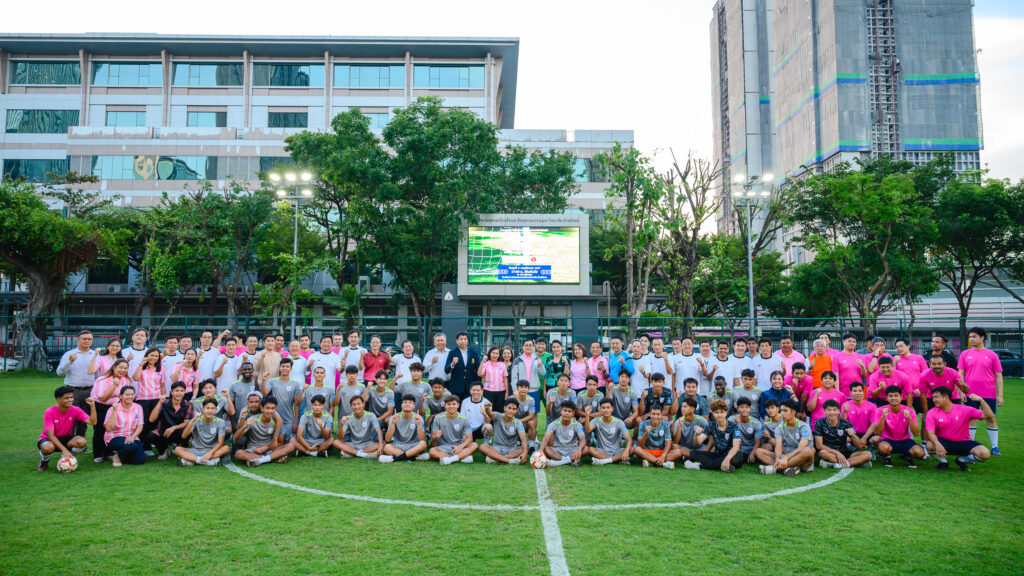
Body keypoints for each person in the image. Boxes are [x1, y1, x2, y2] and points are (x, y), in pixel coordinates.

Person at [926, 388, 994, 471]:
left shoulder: (964, 409)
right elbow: (930, 433)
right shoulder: (932, 412)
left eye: (936, 397)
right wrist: (937, 443)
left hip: (964, 442)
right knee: (929, 445)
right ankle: (943, 462)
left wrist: (981, 400)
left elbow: (989, 416)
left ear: (946, 397)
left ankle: (961, 460)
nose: (934, 400)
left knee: (985, 454)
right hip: (944, 442)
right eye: (933, 397)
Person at [958, 327, 1002, 454]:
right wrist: (961, 391)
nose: (971, 339)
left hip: (989, 393)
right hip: (970, 393)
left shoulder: (992, 355)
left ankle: (995, 447)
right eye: (970, 337)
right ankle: (970, 445)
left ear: (982, 337)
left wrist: (1000, 395)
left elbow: (998, 375)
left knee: (990, 418)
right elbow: (960, 374)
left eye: (974, 336)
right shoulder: (965, 354)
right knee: (971, 418)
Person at [37, 386, 96, 471]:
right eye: (67, 398)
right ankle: (44, 460)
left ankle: (71, 459)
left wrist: (92, 406)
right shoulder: (49, 412)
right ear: (58, 399)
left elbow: (92, 422)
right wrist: (64, 450)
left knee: (81, 441)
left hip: (66, 438)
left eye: (71, 397)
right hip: (49, 439)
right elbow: (50, 436)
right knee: (47, 448)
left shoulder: (76, 410)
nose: (70, 400)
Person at [55, 330, 98, 442]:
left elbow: (98, 374)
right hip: (72, 391)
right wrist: (69, 361)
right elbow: (60, 372)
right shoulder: (70, 354)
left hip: (89, 390)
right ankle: (68, 442)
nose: (87, 341)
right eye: (84, 338)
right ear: (78, 340)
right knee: (70, 418)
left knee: (84, 419)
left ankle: (80, 443)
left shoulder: (95, 355)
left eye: (89, 339)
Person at [755, 398, 814, 476]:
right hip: (785, 456)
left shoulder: (804, 426)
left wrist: (786, 458)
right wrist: (777, 459)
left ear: (793, 412)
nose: (782, 413)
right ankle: (787, 468)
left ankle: (775, 468)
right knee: (758, 451)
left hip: (800, 458)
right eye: (781, 410)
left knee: (807, 451)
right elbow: (778, 447)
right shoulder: (779, 428)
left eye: (785, 411)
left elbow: (801, 448)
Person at [88, 358, 132, 462]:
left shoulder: (126, 380)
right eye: (120, 367)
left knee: (111, 430)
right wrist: (114, 385)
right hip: (101, 407)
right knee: (99, 431)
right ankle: (98, 454)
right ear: (114, 367)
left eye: (125, 368)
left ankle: (108, 453)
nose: (123, 370)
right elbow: (103, 398)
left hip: (115, 408)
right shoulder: (103, 379)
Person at [873, 385, 926, 468]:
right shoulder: (880, 410)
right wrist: (883, 417)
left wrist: (909, 418)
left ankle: (908, 456)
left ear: (901, 397)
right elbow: (878, 432)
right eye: (890, 396)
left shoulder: (909, 411)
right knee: (882, 448)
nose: (893, 398)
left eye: (896, 396)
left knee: (919, 453)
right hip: (888, 440)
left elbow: (916, 433)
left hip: (905, 440)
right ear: (886, 398)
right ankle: (887, 457)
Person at [234, 396, 294, 467]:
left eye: (272, 408)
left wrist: (265, 447)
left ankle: (260, 460)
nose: (270, 411)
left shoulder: (277, 422)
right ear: (262, 409)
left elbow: (280, 443)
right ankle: (273, 459)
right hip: (253, 450)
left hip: (270, 450)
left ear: (275, 409)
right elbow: (235, 438)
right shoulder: (253, 420)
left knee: (291, 445)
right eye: (267, 408)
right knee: (238, 453)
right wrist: (244, 426)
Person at [685, 399, 743, 473]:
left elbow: (736, 446)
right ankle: (723, 466)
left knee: (735, 460)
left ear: (726, 413)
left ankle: (697, 466)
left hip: (733, 456)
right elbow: (698, 442)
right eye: (716, 412)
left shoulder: (734, 426)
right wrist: (696, 435)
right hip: (718, 455)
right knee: (693, 453)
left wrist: (727, 459)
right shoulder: (710, 425)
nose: (719, 415)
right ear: (712, 413)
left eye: (722, 412)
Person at [814, 399, 873, 469]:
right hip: (830, 452)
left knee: (869, 454)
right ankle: (856, 463)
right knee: (822, 453)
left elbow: (859, 446)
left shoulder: (846, 423)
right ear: (824, 411)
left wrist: (853, 435)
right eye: (829, 410)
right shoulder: (819, 422)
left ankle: (838, 465)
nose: (832, 412)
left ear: (839, 411)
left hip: (845, 452)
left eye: (835, 410)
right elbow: (819, 446)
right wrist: (837, 453)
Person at [175, 397, 229, 466]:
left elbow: (220, 442)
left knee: (226, 448)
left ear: (216, 410)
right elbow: (184, 436)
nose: (210, 411)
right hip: (196, 450)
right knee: (177, 449)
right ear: (203, 409)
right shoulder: (196, 420)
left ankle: (192, 460)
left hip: (212, 450)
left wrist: (209, 453)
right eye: (208, 408)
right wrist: (193, 421)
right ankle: (206, 461)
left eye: (212, 408)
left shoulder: (220, 422)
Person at [148, 382, 193, 460]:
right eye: (176, 391)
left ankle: (181, 450)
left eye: (182, 391)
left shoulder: (188, 404)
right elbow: (151, 419)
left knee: (187, 429)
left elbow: (186, 423)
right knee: (151, 435)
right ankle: (164, 450)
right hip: (164, 432)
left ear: (184, 392)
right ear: (171, 392)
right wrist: (159, 403)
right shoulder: (164, 402)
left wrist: (174, 427)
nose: (179, 393)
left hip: (179, 432)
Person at [132, 347, 164, 454]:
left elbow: (162, 384)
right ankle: (144, 446)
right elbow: (135, 378)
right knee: (143, 423)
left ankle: (150, 443)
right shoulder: (141, 367)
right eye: (152, 355)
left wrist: (163, 396)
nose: (153, 358)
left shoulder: (160, 369)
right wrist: (141, 365)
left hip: (156, 399)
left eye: (156, 356)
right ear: (147, 355)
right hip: (143, 399)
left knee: (154, 422)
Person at [103, 386, 146, 466]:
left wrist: (132, 437)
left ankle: (119, 455)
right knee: (132, 445)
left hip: (131, 437)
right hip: (114, 437)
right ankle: (117, 456)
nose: (130, 397)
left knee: (140, 460)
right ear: (120, 396)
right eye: (127, 394)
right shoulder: (113, 408)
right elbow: (109, 428)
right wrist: (115, 411)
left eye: (132, 394)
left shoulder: (138, 407)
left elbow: (140, 426)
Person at [430, 395, 478, 465]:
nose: (451, 406)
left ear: (458, 405)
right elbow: (433, 439)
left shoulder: (464, 419)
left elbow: (470, 439)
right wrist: (436, 436)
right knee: (432, 451)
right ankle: (461, 458)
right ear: (445, 406)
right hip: (443, 446)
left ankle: (450, 459)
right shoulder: (438, 418)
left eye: (454, 404)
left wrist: (460, 447)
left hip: (458, 445)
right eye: (449, 404)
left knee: (474, 445)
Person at [380, 395, 428, 463]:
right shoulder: (394, 417)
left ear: (414, 406)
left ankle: (395, 458)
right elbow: (388, 439)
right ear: (401, 405)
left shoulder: (418, 418)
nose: (407, 404)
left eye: (410, 402)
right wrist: (393, 424)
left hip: (413, 445)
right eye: (405, 402)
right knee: (387, 447)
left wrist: (419, 424)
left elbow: (421, 439)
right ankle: (414, 457)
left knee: (423, 444)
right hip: (398, 446)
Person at [479, 398, 528, 465]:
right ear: (504, 408)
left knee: (523, 448)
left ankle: (497, 459)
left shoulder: (518, 423)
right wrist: (487, 408)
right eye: (509, 408)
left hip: (511, 449)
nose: (511, 411)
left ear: (516, 411)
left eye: (514, 409)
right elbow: (490, 414)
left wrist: (525, 453)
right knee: (482, 447)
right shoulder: (498, 416)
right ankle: (509, 461)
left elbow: (523, 439)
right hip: (497, 448)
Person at [263, 357, 301, 442]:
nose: (285, 368)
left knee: (288, 441)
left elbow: (296, 404)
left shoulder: (295, 384)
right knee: (276, 440)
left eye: (287, 366)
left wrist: (295, 422)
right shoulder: (272, 381)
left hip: (288, 420)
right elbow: (265, 394)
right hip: (274, 418)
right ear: (279, 368)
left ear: (291, 369)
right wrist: (263, 381)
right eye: (283, 366)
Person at [585, 398, 632, 465]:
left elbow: (629, 439)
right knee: (590, 450)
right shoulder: (596, 420)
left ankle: (604, 461)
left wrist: (626, 451)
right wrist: (587, 415)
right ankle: (617, 459)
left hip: (617, 451)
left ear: (612, 409)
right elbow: (588, 430)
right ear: (600, 409)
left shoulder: (619, 422)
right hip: (602, 451)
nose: (606, 410)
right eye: (603, 408)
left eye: (608, 407)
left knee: (632, 449)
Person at [336, 395, 383, 459]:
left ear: (363, 404)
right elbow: (340, 438)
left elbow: (378, 431)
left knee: (383, 443)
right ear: (351, 406)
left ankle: (353, 454)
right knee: (335, 442)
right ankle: (364, 454)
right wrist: (341, 425)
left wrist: (380, 445)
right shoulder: (348, 418)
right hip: (353, 445)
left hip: (367, 444)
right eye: (354, 405)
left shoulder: (371, 415)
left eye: (359, 404)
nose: (357, 406)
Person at [665, 397, 708, 466]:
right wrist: (680, 426)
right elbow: (676, 441)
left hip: (699, 449)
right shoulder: (678, 421)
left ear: (692, 409)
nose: (682, 409)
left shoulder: (702, 421)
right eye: (682, 406)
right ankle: (694, 458)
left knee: (711, 448)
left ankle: (686, 458)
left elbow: (707, 437)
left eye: (685, 407)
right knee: (674, 446)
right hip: (684, 448)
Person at [540, 403, 586, 467]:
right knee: (545, 448)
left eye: (569, 411)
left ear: (573, 413)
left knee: (586, 448)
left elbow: (583, 439)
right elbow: (546, 438)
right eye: (565, 410)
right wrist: (540, 451)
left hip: (572, 450)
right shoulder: (553, 424)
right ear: (561, 411)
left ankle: (557, 462)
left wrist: (579, 449)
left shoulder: (577, 425)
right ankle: (569, 460)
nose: (566, 413)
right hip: (558, 451)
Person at [841, 382, 879, 448]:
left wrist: (865, 437)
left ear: (863, 392)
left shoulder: (872, 406)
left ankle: (870, 448)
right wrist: (844, 411)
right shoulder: (845, 405)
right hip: (852, 434)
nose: (857, 393)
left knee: (877, 439)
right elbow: (842, 422)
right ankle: (852, 447)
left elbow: (874, 424)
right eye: (855, 391)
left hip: (867, 433)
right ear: (850, 393)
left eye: (860, 391)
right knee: (844, 438)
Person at [510, 339, 546, 408]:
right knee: (520, 413)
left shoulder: (537, 359)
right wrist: (515, 390)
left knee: (534, 414)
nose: (528, 347)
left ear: (533, 347)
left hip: (534, 391)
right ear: (523, 347)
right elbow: (514, 377)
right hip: (521, 391)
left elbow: (543, 373)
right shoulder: (517, 360)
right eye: (526, 345)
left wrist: (540, 365)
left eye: (530, 345)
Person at [444, 332, 480, 398]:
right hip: (456, 388)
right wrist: (452, 364)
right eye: (461, 339)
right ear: (457, 341)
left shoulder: (473, 353)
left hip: (470, 388)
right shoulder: (452, 353)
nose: (463, 341)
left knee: (468, 407)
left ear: (467, 341)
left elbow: (478, 370)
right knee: (456, 407)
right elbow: (446, 370)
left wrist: (478, 385)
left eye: (465, 339)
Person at [729, 397, 762, 466]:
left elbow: (758, 442)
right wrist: (736, 425)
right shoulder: (731, 419)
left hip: (750, 449)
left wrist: (752, 453)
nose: (744, 409)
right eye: (742, 407)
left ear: (750, 409)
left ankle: (749, 457)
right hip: (736, 448)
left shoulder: (756, 423)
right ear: (738, 409)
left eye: (747, 407)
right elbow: (728, 437)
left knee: (764, 449)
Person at [832, 334, 868, 398]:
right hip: (843, 391)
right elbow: (835, 375)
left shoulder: (861, 357)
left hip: (857, 392)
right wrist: (837, 392)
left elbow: (864, 375)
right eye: (849, 341)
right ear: (843, 342)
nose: (852, 343)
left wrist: (862, 366)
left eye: (854, 342)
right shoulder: (836, 357)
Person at [228, 362, 261, 429]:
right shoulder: (234, 385)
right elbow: (231, 406)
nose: (247, 371)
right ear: (241, 371)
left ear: (252, 371)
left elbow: (260, 398)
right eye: (245, 369)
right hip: (240, 420)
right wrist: (233, 424)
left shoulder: (259, 383)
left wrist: (255, 382)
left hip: (255, 420)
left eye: (249, 369)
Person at [479, 346, 509, 412]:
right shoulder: (486, 364)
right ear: (490, 353)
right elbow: (480, 374)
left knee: (500, 410)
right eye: (493, 353)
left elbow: (505, 379)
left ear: (499, 355)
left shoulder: (502, 364)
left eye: (497, 353)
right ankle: (490, 423)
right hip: (488, 391)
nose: (495, 355)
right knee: (489, 410)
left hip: (501, 391)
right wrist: (482, 361)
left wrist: (507, 392)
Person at [510, 379, 538, 450]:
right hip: (513, 421)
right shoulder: (512, 398)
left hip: (524, 422)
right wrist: (516, 400)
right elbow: (508, 414)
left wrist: (520, 421)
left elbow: (531, 415)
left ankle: (531, 446)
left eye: (525, 387)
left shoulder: (531, 399)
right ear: (517, 389)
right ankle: (516, 441)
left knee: (532, 422)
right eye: (521, 387)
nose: (523, 389)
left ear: (528, 389)